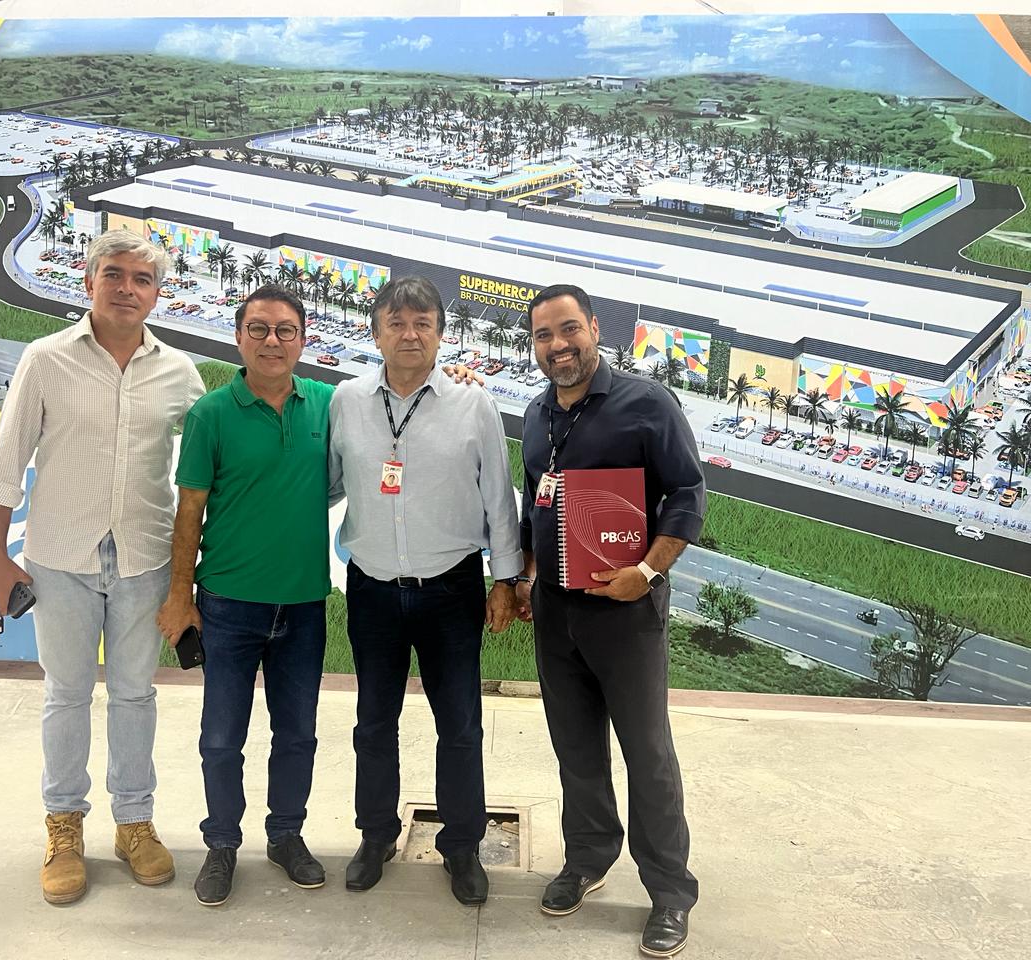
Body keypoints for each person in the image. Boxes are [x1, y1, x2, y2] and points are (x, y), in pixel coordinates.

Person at [0, 230, 203, 904]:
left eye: (142, 279)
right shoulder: (45, 360)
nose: (127, 288)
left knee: (135, 694)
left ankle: (134, 822)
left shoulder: (180, 373)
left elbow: (208, 465)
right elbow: (6, 461)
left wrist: (191, 575)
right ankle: (64, 828)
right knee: (66, 694)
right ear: (89, 282)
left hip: (144, 558)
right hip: (60, 557)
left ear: (157, 295)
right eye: (115, 275)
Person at [515, 283, 705, 957]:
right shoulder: (537, 413)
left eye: (569, 329)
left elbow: (687, 492)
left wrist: (647, 572)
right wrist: (523, 579)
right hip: (556, 610)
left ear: (595, 329)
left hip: (626, 614)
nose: (558, 345)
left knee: (647, 753)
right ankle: (588, 858)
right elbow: (535, 507)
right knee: (575, 749)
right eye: (543, 335)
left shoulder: (646, 403)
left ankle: (670, 891)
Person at [328, 276, 520, 905]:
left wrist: (505, 580)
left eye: (422, 323)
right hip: (373, 587)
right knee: (373, 722)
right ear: (375, 332)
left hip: (451, 589)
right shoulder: (347, 400)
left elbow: (498, 498)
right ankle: (376, 834)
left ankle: (461, 846)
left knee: (460, 724)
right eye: (396, 323)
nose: (409, 335)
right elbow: (326, 482)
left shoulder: (474, 404)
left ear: (441, 333)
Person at [158, 284, 335, 907]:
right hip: (228, 605)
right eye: (258, 328)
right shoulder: (211, 414)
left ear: (303, 339)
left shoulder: (328, 404)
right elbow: (189, 512)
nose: (271, 341)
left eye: (285, 330)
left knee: (297, 735)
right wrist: (180, 597)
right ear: (238, 337)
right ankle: (222, 844)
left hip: (304, 605)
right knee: (220, 738)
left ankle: (286, 835)